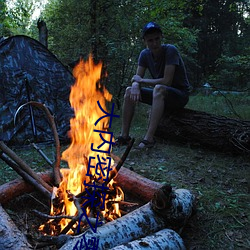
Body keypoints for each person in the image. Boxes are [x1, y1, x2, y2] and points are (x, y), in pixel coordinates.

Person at [116, 21, 191, 148]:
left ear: (161, 37)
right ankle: (124, 136)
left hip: (179, 95)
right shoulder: (144, 54)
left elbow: (167, 81)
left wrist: (141, 81)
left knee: (159, 88)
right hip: (160, 95)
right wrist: (135, 85)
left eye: (157, 39)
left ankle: (149, 138)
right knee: (129, 91)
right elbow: (137, 78)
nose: (154, 43)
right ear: (145, 41)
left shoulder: (170, 50)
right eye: (150, 40)